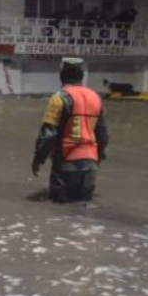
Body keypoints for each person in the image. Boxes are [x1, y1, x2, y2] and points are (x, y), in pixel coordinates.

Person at [32, 58, 109, 203]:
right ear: (81, 75)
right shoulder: (96, 98)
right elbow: (103, 135)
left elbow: (48, 134)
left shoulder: (59, 98)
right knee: (82, 210)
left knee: (59, 210)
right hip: (90, 164)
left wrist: (38, 159)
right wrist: (99, 156)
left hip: (66, 162)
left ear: (62, 75)